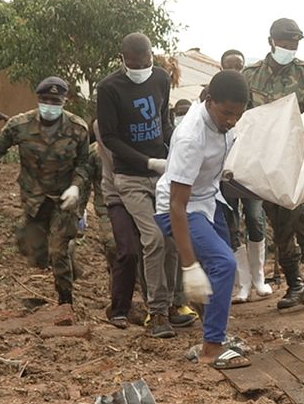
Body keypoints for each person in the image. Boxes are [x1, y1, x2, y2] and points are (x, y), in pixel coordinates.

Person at [161, 70, 251, 369]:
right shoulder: (191, 136)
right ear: (210, 101)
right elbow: (176, 204)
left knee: (222, 272)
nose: (231, 121)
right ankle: (211, 348)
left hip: (209, 200)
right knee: (223, 263)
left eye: (238, 114)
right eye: (227, 113)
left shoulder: (226, 123)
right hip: (180, 209)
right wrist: (188, 266)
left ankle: (214, 336)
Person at [0, 77, 88, 304]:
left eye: (55, 100)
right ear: (38, 99)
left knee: (57, 251)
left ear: (65, 101)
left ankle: (66, 302)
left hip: (64, 200)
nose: (50, 105)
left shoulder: (78, 128)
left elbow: (84, 164)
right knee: (34, 253)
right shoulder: (19, 125)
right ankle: (67, 253)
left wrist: (76, 188)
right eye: (45, 100)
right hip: (34, 199)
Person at [96, 33, 177, 338]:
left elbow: (164, 120)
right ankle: (156, 313)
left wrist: (175, 149)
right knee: (153, 238)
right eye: (135, 63)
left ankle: (170, 304)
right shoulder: (109, 89)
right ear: (124, 59)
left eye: (146, 62)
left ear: (151, 56)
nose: (141, 67)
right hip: (130, 176)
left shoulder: (160, 79)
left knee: (170, 238)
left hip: (162, 172)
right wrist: (147, 162)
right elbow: (111, 138)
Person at [242, 19, 304, 309]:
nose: (291, 48)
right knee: (278, 223)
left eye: (295, 44)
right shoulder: (250, 76)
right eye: (286, 43)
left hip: (296, 158)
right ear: (271, 42)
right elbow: (244, 118)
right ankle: (293, 283)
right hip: (265, 162)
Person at [218, 48, 272, 303]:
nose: (235, 71)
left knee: (254, 218)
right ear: (221, 67)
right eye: (229, 66)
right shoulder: (212, 96)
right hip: (224, 173)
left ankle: (259, 278)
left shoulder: (253, 99)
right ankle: (243, 283)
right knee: (231, 225)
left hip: (251, 169)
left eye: (239, 66)